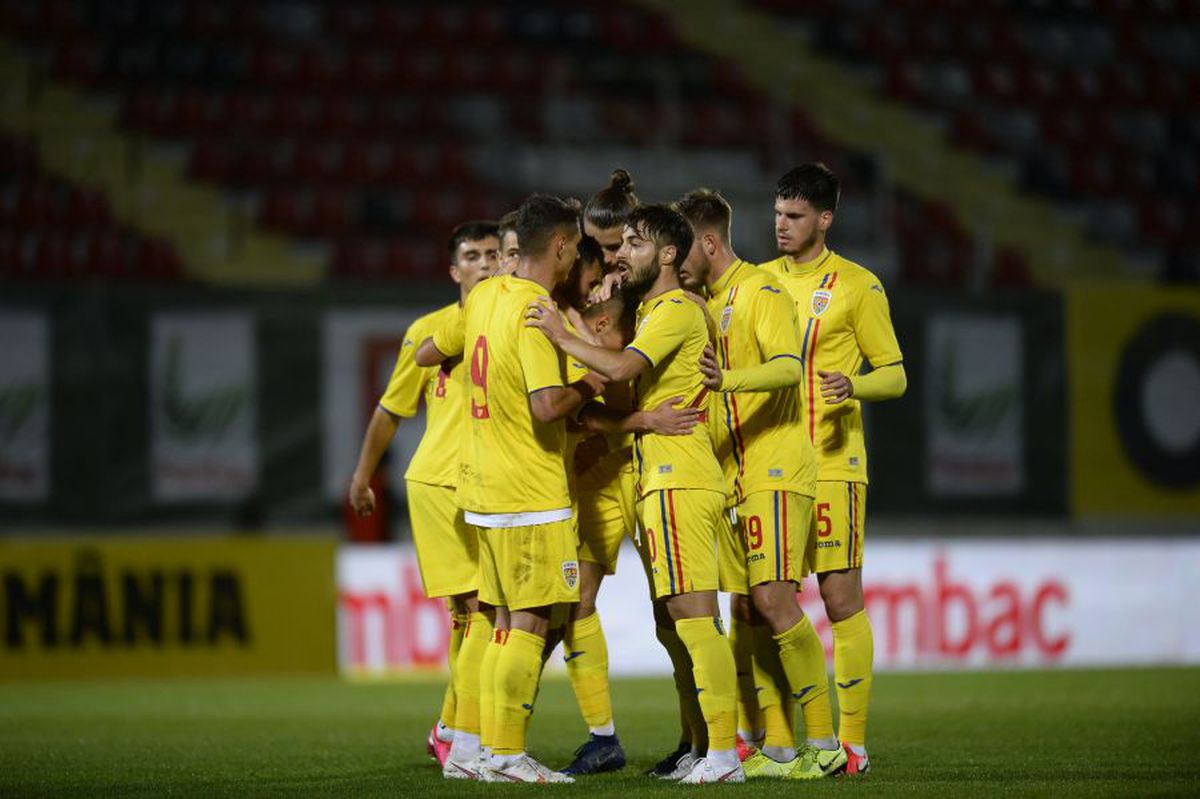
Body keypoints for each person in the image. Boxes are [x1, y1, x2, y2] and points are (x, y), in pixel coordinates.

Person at [526, 204, 744, 785]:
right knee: (681, 622)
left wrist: (559, 334)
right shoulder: (659, 310)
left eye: (636, 244)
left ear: (668, 254)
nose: (622, 254)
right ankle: (705, 749)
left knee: (695, 621)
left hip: (679, 477)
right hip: (665, 477)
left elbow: (621, 368)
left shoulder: (674, 310)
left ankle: (725, 756)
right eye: (621, 245)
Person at [418, 194, 600, 783]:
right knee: (530, 624)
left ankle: (469, 749)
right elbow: (547, 405)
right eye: (575, 247)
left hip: (483, 490)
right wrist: (591, 383)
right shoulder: (534, 311)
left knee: (495, 623)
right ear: (562, 246)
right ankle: (507, 754)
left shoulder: (485, 295)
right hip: (529, 492)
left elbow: (431, 350)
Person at [677, 189, 844, 779]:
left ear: (708, 243)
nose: (674, 261)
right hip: (735, 475)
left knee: (773, 598)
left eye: (680, 250)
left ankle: (825, 742)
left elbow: (788, 368)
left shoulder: (760, 290)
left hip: (775, 467)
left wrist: (727, 380)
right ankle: (777, 745)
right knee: (747, 607)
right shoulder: (707, 302)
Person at [760, 163, 908, 776]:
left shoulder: (857, 285)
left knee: (840, 596)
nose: (782, 225)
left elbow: (895, 375)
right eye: (778, 214)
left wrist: (855, 385)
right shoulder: (759, 282)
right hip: (770, 467)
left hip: (831, 462)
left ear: (825, 219)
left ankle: (853, 745)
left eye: (795, 216)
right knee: (763, 599)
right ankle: (776, 743)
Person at [346, 220, 498, 769]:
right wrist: (363, 475)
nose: (484, 263)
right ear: (455, 271)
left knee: (479, 616)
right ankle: (466, 736)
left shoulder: (514, 316)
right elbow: (391, 410)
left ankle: (453, 728)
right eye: (472, 256)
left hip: (496, 483)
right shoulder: (430, 330)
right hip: (442, 483)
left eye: (492, 253)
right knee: (478, 610)